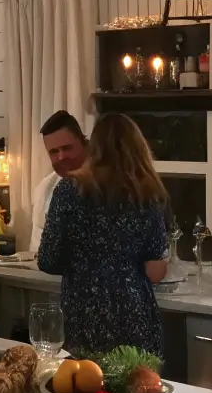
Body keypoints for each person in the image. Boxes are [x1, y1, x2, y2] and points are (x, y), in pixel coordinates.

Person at [36, 113, 168, 357]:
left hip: (84, 312)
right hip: (135, 312)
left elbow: (48, 260)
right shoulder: (149, 193)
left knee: (88, 378)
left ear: (92, 146)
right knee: (137, 377)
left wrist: (82, 261)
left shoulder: (69, 189)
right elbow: (155, 270)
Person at [29, 111, 89, 255]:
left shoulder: (108, 184)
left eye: (67, 148)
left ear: (84, 143)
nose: (61, 157)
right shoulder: (45, 189)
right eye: (54, 152)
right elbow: (36, 251)